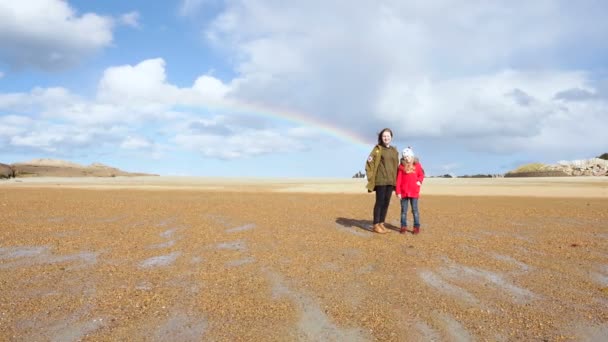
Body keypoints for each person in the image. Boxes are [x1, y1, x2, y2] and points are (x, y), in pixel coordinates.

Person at [365, 128, 399, 234]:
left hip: (391, 180)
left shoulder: (394, 150)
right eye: (384, 136)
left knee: (386, 202)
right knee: (379, 202)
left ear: (391, 137)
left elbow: (397, 164)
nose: (386, 138)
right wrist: (370, 177)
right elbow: (369, 163)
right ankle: (375, 224)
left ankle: (381, 223)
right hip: (380, 180)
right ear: (381, 137)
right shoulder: (377, 149)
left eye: (388, 136)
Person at [395, 147, 425, 234]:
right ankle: (403, 226)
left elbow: (421, 174)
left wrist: (419, 181)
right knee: (404, 211)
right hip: (403, 192)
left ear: (411, 155)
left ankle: (416, 227)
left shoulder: (417, 165)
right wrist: (398, 192)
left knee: (415, 210)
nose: (406, 158)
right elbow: (398, 180)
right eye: (404, 157)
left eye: (408, 156)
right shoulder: (401, 167)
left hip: (414, 192)